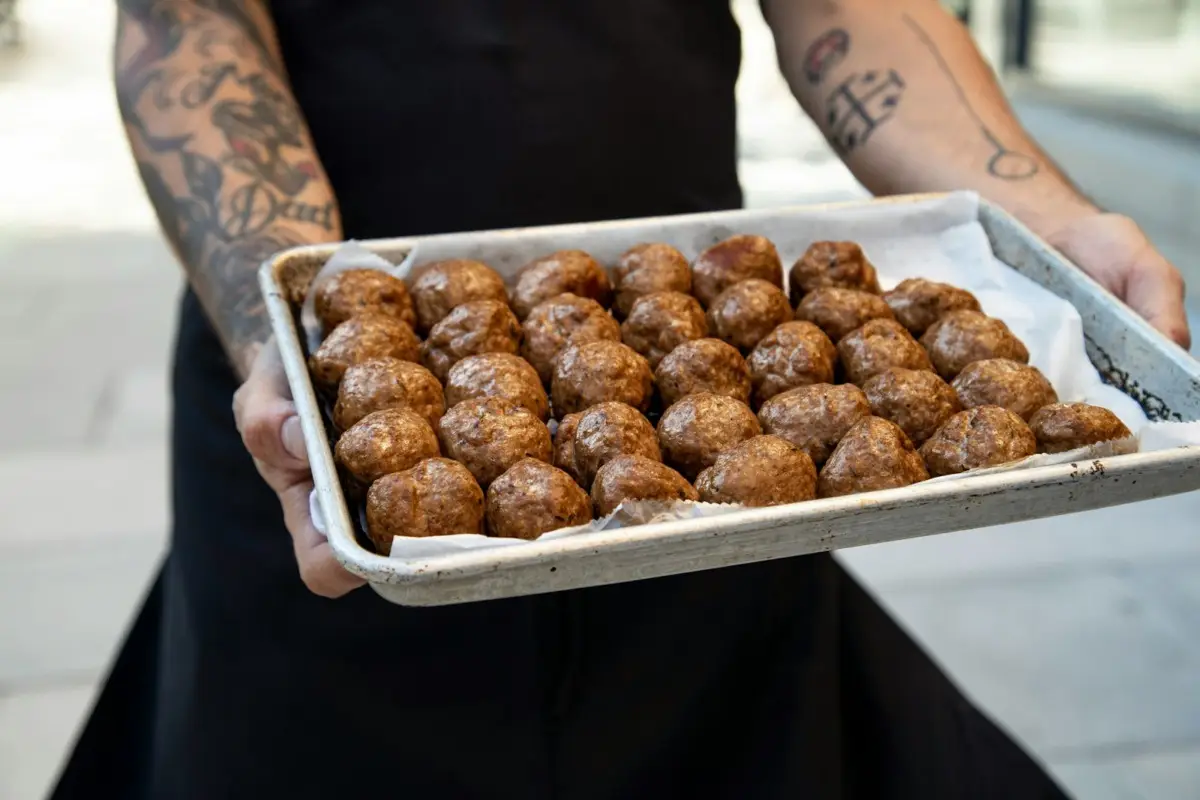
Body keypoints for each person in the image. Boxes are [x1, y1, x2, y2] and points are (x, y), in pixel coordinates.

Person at [55, 1, 1188, 798]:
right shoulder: (325, 380)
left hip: (701, 358)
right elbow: (186, 22)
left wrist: (1045, 222)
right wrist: (294, 334)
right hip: (326, 398)